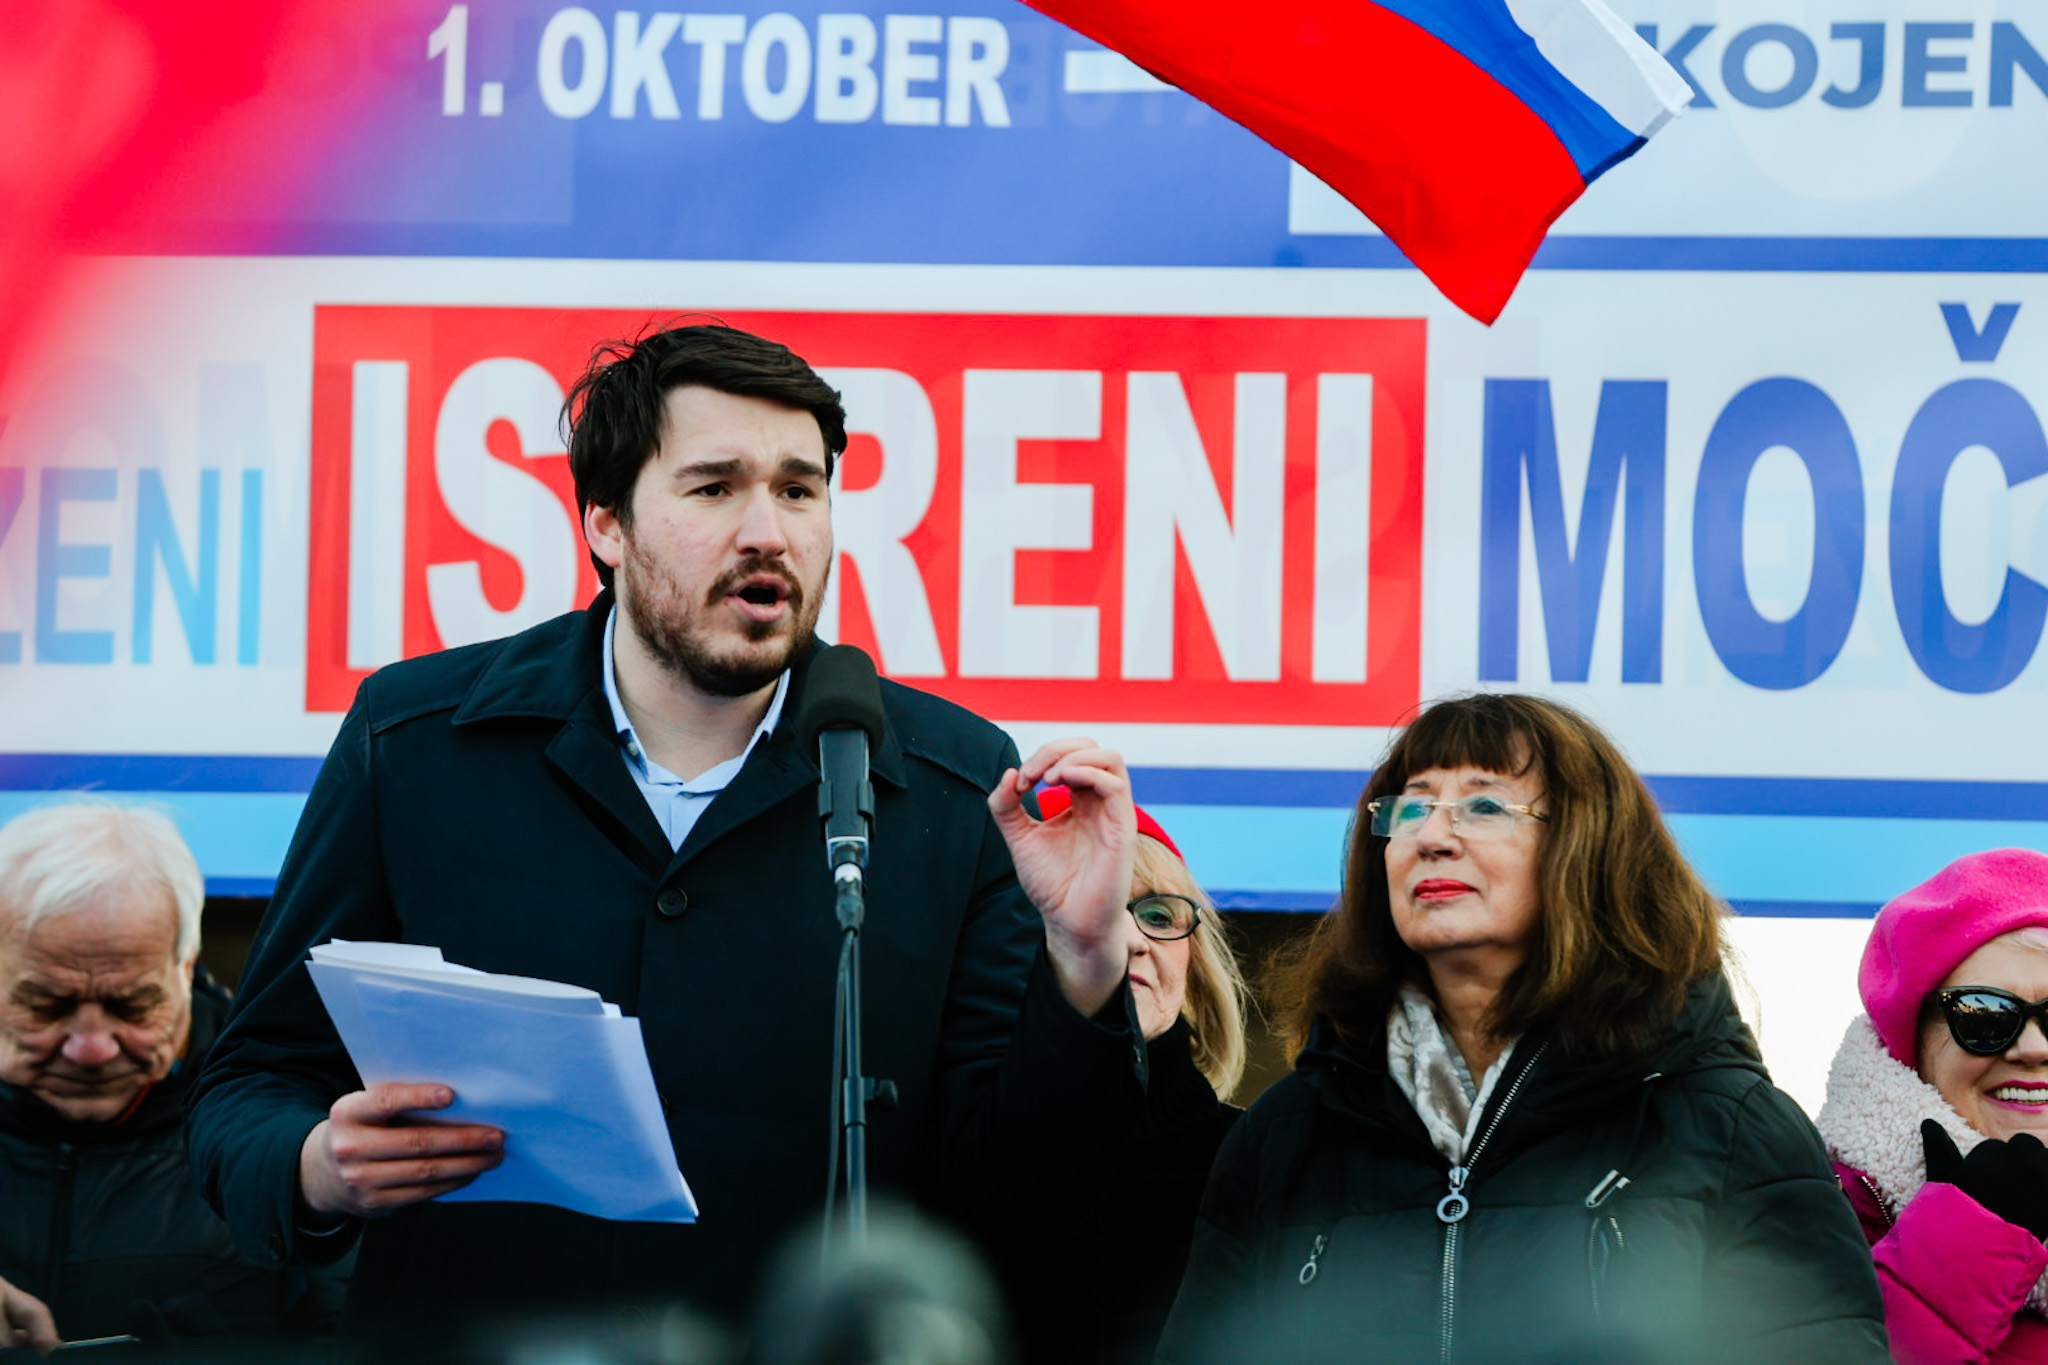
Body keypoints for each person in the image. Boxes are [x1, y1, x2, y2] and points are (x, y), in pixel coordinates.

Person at [187, 322, 1147, 1346]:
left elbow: (1020, 1195)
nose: (768, 531)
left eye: (798, 489)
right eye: (714, 487)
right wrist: (314, 1167)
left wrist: (1083, 962)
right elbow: (252, 1083)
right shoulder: (415, 743)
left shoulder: (950, 785)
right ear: (606, 522)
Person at [1155, 691, 1889, 1364]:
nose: (1432, 837)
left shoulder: (1730, 1128)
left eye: (1483, 806)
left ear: (1587, 848)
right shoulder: (1285, 1135)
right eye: (1411, 808)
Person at [0, 802, 342, 1354]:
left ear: (185, 968)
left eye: (133, 1005)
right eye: (45, 1005)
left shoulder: (291, 1127)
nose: (92, 1049)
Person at [998, 786, 1248, 1365]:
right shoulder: (942, 1150)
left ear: (1195, 963)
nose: (1132, 940)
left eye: (1158, 915)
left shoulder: (1257, 1155)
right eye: (1086, 908)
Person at [1817, 847, 2048, 1364]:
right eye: (1984, 1016)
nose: (2034, 1048)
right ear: (1911, 1042)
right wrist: (1964, 1247)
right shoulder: (1813, 1215)